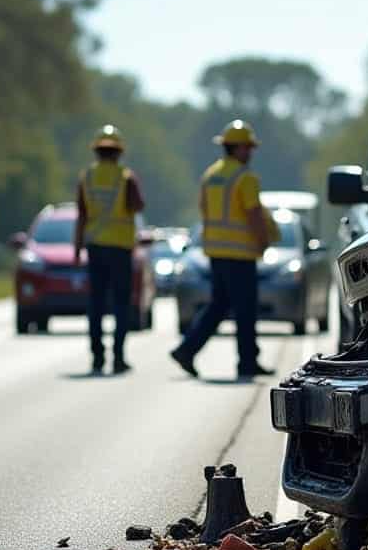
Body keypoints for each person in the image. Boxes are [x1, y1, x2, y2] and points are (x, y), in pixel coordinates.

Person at [170, 119, 274, 380]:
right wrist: (262, 240)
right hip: (240, 254)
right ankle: (247, 363)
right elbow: (253, 214)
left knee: (219, 305)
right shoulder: (245, 177)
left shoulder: (211, 175)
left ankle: (187, 349)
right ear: (236, 148)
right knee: (245, 309)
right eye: (247, 147)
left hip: (216, 252)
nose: (250, 152)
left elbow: (204, 210)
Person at [74, 124, 145, 375]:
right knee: (120, 304)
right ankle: (118, 357)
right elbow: (138, 205)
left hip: (95, 247)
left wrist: (76, 248)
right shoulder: (126, 177)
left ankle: (96, 357)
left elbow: (81, 214)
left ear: (97, 151)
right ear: (118, 152)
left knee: (95, 303)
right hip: (120, 248)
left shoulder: (87, 177)